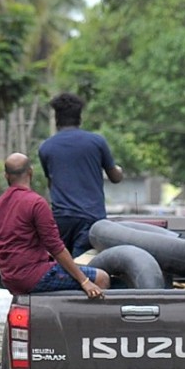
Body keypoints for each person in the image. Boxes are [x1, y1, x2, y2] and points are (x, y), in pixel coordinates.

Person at [0, 152, 110, 298]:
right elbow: (55, 247)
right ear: (30, 172)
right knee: (102, 278)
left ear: (6, 176)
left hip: (9, 279)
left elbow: (5, 245)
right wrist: (84, 281)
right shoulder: (36, 203)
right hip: (33, 277)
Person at [38, 92, 123, 257]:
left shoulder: (46, 148)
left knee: (63, 267)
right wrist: (118, 170)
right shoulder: (97, 142)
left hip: (61, 220)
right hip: (91, 219)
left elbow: (51, 183)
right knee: (83, 268)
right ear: (80, 118)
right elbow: (115, 177)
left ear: (57, 119)